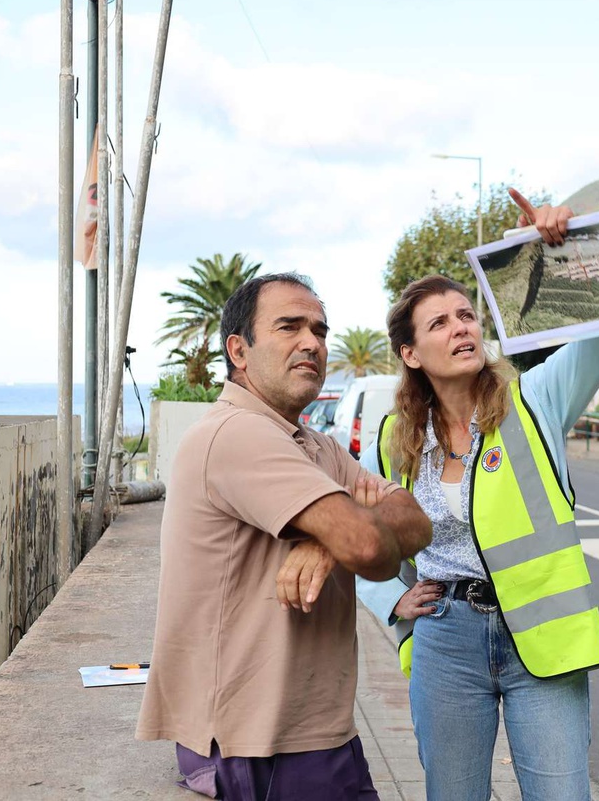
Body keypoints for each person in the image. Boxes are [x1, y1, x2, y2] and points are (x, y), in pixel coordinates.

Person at [353, 189, 599, 801]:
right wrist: (389, 602)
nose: (462, 328)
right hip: (445, 636)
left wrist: (564, 250)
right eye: (440, 323)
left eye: (467, 315)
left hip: (541, 632)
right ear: (410, 353)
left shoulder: (534, 401)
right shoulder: (394, 437)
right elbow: (362, 534)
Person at [136, 273, 433, 801]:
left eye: (319, 330)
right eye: (289, 327)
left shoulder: (315, 446)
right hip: (257, 745)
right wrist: (347, 531)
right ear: (239, 351)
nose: (312, 343)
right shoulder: (238, 433)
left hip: (310, 733)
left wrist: (326, 540)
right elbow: (370, 550)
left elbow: (416, 520)